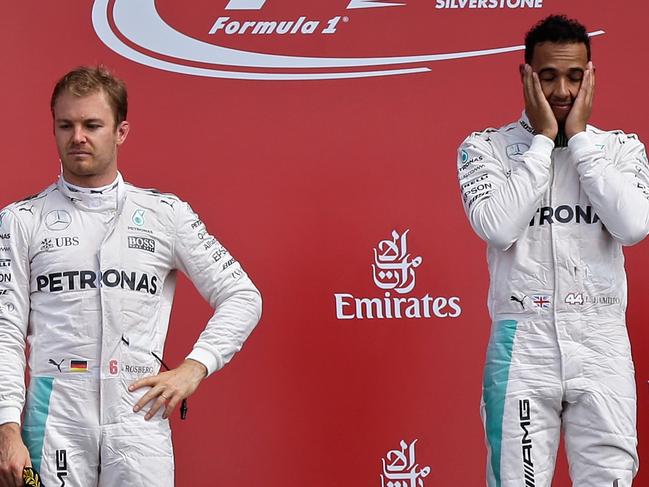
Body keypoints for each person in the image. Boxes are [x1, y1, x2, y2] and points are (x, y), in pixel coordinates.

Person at [0, 66, 262, 487]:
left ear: (121, 131)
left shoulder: (166, 214)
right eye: (65, 125)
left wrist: (196, 367)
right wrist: (6, 427)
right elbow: (5, 330)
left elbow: (242, 296)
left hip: (139, 415)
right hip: (54, 417)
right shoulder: (21, 220)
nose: (77, 137)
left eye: (92, 125)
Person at [457, 15, 649, 487]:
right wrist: (543, 142)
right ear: (526, 76)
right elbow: (498, 229)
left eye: (574, 76)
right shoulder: (486, 149)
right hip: (522, 347)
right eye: (547, 76)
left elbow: (633, 226)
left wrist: (580, 141)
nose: (561, 90)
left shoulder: (620, 149)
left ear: (591, 76)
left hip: (601, 345)